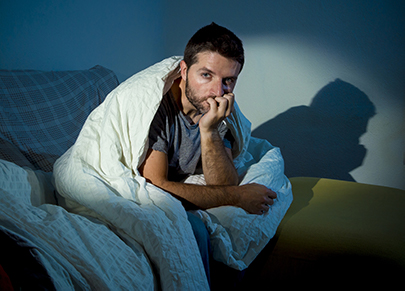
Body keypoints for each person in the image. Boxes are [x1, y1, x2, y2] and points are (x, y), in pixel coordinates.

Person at [138, 22, 277, 287]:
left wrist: (210, 129)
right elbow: (156, 188)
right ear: (184, 70)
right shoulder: (157, 107)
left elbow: (222, 183)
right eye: (206, 75)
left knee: (246, 219)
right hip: (150, 191)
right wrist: (237, 196)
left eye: (228, 80)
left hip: (187, 182)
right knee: (194, 229)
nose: (217, 91)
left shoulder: (218, 107)